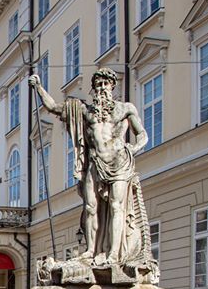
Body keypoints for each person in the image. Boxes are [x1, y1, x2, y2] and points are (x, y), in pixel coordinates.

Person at [29, 68, 150, 267]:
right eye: (98, 85)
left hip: (119, 163)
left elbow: (143, 135)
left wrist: (133, 148)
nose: (102, 88)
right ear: (94, 89)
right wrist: (39, 87)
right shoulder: (84, 111)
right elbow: (53, 107)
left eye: (105, 84)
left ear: (112, 86)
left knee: (116, 206)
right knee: (90, 207)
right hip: (95, 163)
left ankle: (114, 254)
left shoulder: (125, 109)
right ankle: (91, 250)